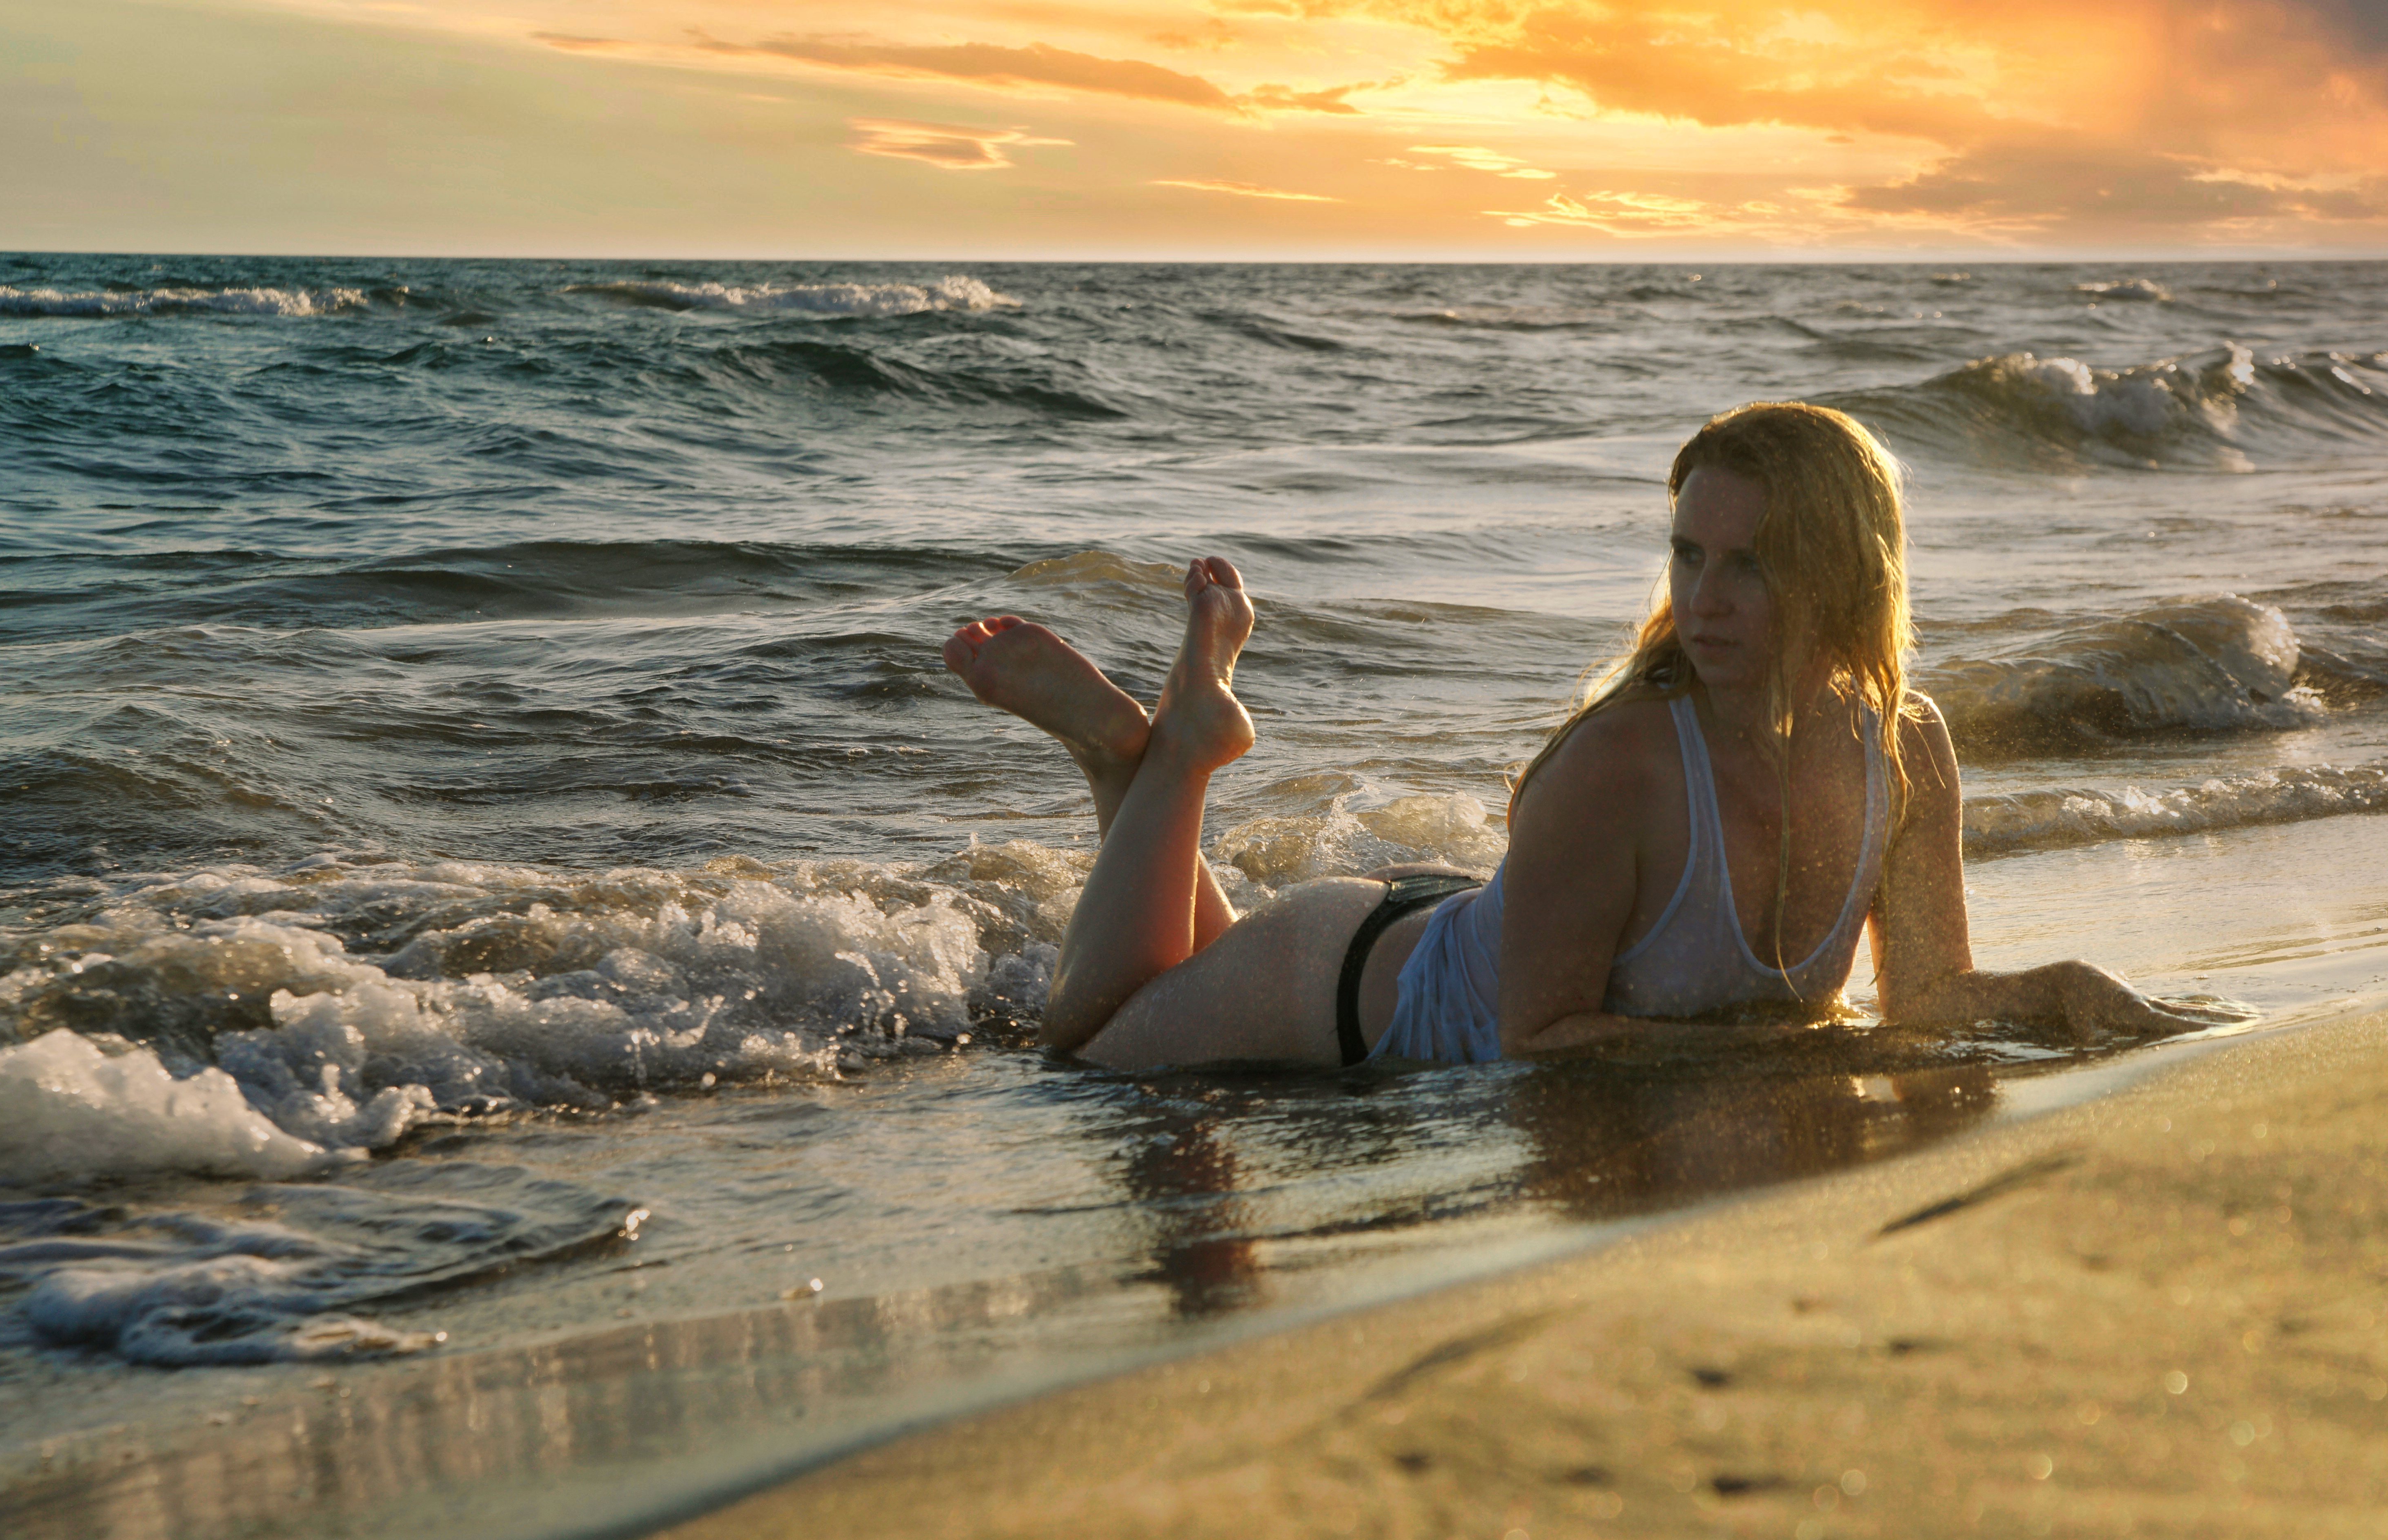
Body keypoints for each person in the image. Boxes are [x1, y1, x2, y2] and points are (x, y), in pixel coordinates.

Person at [942, 402, 2223, 1070]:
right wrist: (1791, 1061)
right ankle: (1153, 753)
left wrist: (2074, 998)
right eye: (1689, 554)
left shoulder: (1908, 749)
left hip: (1473, 926)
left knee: (1153, 983)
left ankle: (1152, 757)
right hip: (1344, 990)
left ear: (1844, 575)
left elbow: (1930, 999)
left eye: (1752, 564)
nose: (1705, 597)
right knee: (1090, 1040)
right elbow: (1537, 1041)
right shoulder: (1622, 759)